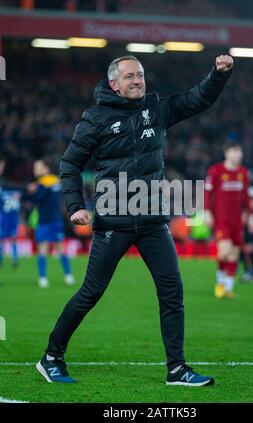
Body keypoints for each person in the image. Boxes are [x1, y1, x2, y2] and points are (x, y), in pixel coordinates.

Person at [36, 54, 233, 386]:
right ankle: (51, 357)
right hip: (115, 220)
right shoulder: (95, 118)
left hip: (153, 219)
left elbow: (197, 99)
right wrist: (75, 206)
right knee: (91, 292)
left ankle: (177, 369)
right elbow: (69, 164)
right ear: (114, 83)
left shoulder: (156, 108)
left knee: (172, 291)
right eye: (130, 76)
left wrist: (218, 74)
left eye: (140, 75)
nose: (137, 80)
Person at [204, 141, 253, 299]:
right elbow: (207, 193)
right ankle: (220, 283)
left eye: (239, 152)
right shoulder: (216, 170)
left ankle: (228, 288)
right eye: (234, 151)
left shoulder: (243, 172)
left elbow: (246, 196)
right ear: (226, 153)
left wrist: (251, 215)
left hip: (237, 220)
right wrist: (206, 211)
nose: (238, 155)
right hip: (221, 219)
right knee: (224, 251)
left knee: (234, 254)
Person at [23, 158, 75, 288]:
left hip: (44, 221)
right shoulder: (56, 181)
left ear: (45, 168)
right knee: (60, 248)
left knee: (42, 249)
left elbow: (37, 198)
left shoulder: (43, 183)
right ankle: (68, 276)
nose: (35, 169)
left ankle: (43, 278)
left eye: (37, 167)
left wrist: (25, 194)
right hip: (56, 220)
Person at [0, 157, 21, 268]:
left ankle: (13, 259)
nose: (1, 168)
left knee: (10, 237)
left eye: (2, 166)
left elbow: (15, 188)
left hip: (7, 215)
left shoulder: (4, 182)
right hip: (2, 215)